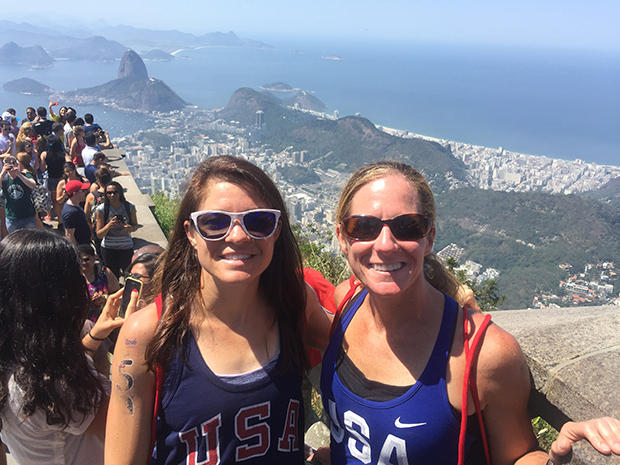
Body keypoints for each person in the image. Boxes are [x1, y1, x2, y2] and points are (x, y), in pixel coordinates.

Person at [320, 160, 620, 465]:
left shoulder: (483, 355)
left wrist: (557, 458)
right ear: (343, 238)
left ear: (429, 237)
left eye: (407, 227)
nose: (385, 244)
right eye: (364, 227)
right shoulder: (346, 302)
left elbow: (518, 455)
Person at [104, 155, 330, 464]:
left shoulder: (293, 303)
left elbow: (358, 348)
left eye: (259, 222)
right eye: (215, 223)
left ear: (276, 231)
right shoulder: (147, 333)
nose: (238, 236)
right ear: (191, 233)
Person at [0, 229, 137, 465]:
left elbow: (62, 369)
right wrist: (131, 340)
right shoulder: (52, 385)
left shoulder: (19, 362)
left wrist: (95, 335)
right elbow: (124, 421)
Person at [95, 181, 138, 278]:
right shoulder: (102, 209)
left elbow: (135, 225)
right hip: (109, 248)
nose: (112, 195)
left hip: (126, 247)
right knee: (112, 277)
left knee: (129, 275)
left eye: (115, 192)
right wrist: (109, 225)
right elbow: (99, 234)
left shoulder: (129, 207)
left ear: (120, 193)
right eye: (109, 193)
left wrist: (130, 228)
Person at [79, 243, 120, 322]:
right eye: (80, 260)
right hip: (82, 319)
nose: (83, 263)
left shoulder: (104, 273)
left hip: (104, 316)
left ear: (94, 258)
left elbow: (117, 294)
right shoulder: (75, 275)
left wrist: (104, 298)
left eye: (86, 259)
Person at [0, 155, 37, 233]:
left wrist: (19, 174)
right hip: (12, 217)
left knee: (29, 238)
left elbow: (33, 185)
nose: (11, 165)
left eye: (13, 163)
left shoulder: (25, 175)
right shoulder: (4, 178)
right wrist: (3, 172)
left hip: (27, 216)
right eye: (8, 163)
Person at [62, 179, 92, 246]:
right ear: (74, 193)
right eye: (83, 191)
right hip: (80, 246)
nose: (85, 193)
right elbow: (69, 234)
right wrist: (77, 250)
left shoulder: (76, 205)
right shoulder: (70, 212)